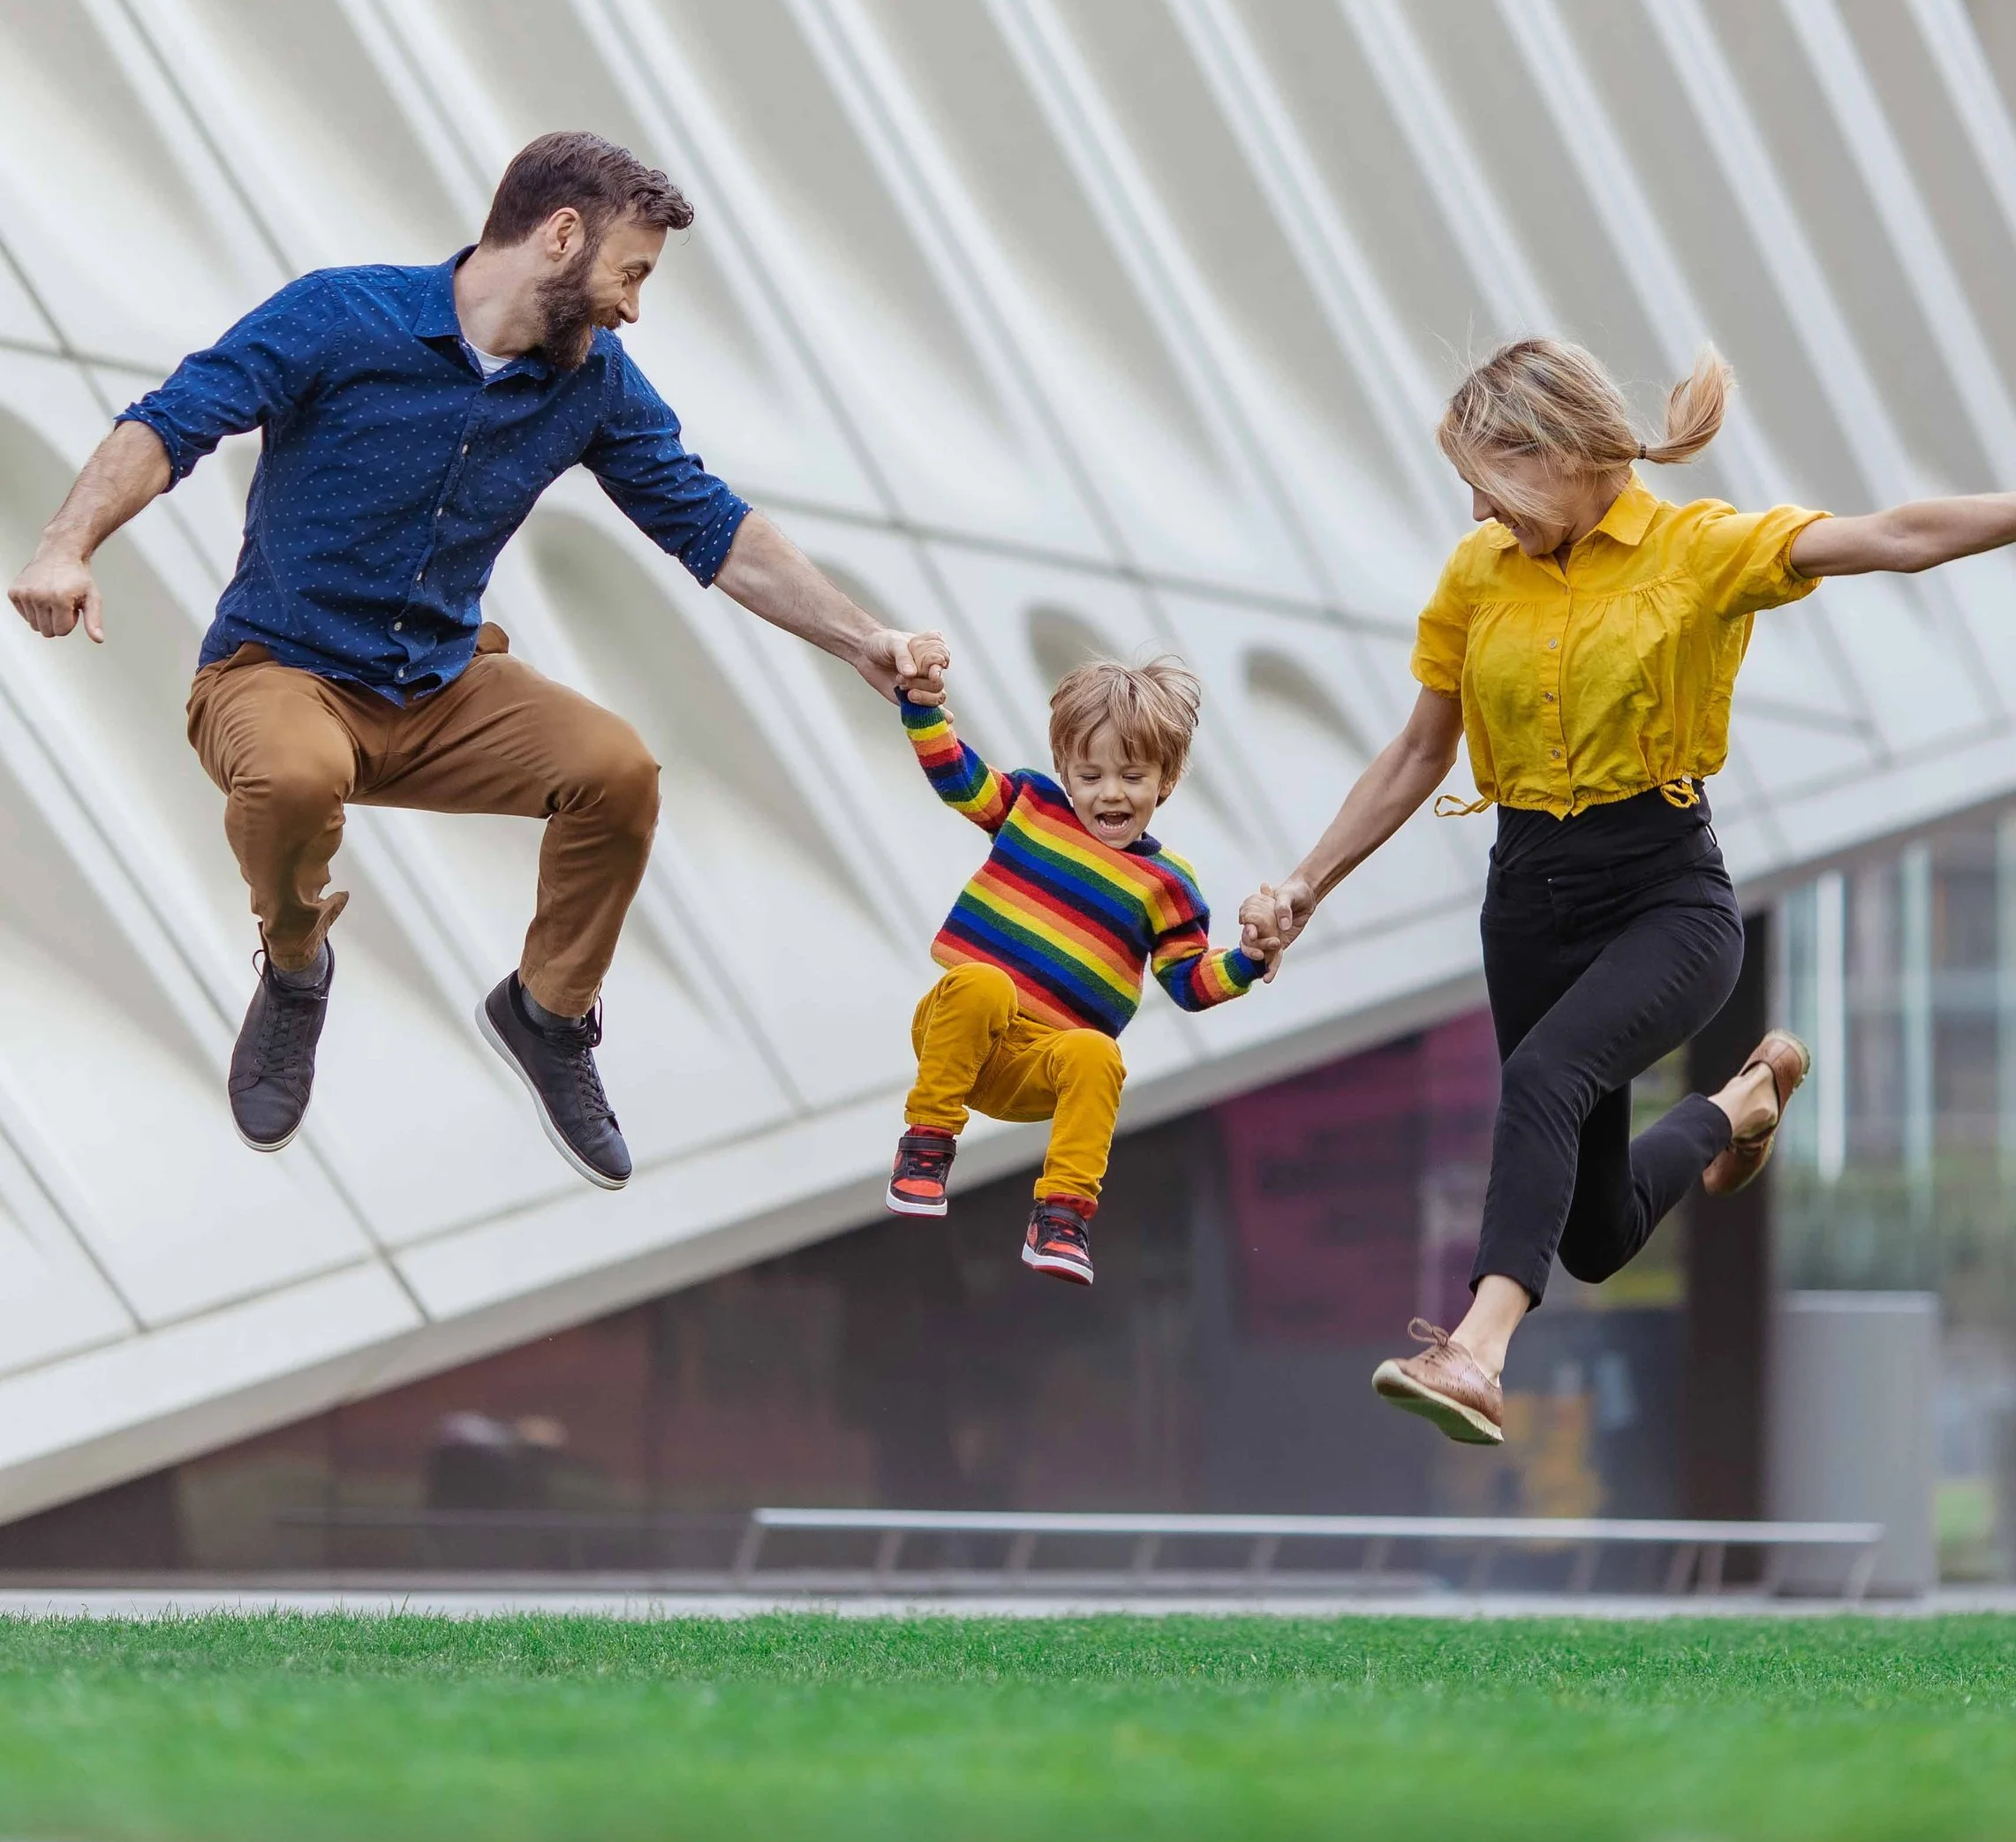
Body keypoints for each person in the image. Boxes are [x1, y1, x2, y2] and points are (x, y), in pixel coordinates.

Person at [1238, 336, 2016, 1449]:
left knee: (1545, 1071)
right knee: (1592, 1234)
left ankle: (1476, 1349)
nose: (1473, 506)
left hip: (1665, 895)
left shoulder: (1698, 548)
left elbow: (1891, 535)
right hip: (1526, 898)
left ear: (1556, 452)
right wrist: (1306, 882)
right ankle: (1740, 1105)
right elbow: (1415, 752)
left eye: (1486, 478)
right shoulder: (1475, 574)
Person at [5, 132, 948, 1193]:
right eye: (629, 273)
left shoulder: (592, 384)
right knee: (296, 776)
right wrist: (64, 543)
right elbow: (173, 421)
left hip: (445, 686)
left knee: (618, 770)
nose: (633, 306)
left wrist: (864, 636)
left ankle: (546, 1012)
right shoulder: (341, 314)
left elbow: (711, 525)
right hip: (282, 673)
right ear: (559, 235)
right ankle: (295, 965)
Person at [885, 656, 1272, 1285]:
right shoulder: (1032, 806)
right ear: (1065, 770)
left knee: (1097, 1052)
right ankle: (926, 1144)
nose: (1110, 792)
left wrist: (1250, 958)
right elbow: (960, 778)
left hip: (1037, 1070)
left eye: (1131, 775)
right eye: (1090, 774)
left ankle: (1062, 1216)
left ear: (1165, 780)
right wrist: (923, 707)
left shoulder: (1167, 885)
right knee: (984, 983)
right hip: (957, 1032)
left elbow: (1191, 982)